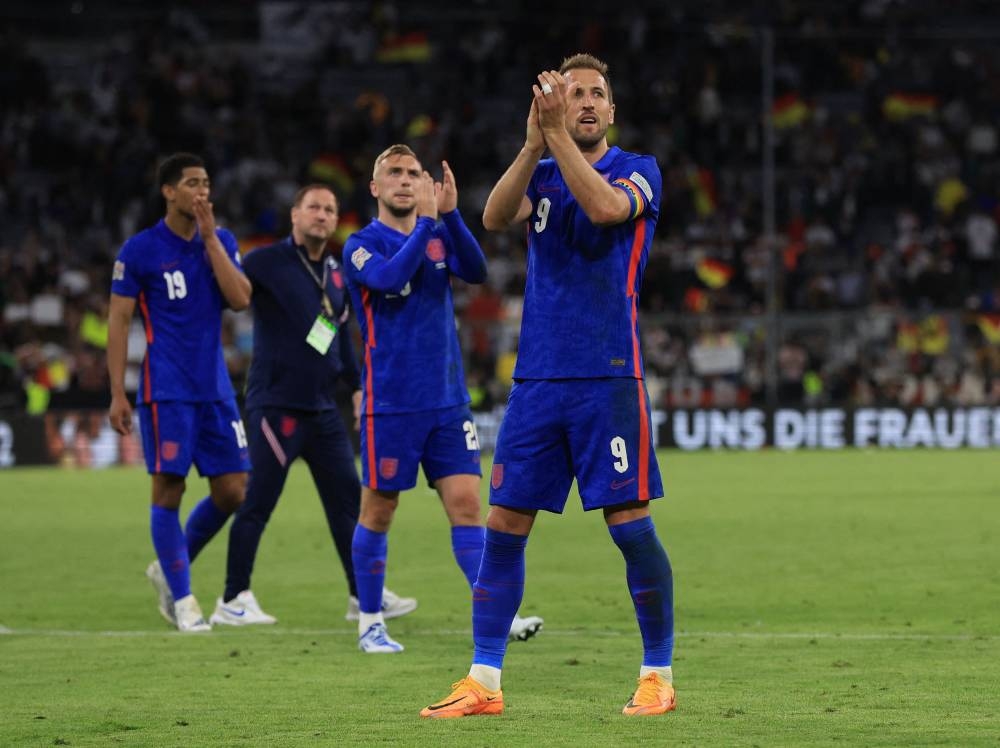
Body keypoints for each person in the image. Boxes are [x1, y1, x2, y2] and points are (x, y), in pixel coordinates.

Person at [422, 54, 675, 717]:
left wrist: (556, 135)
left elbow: (603, 209)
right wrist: (535, 139)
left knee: (628, 525)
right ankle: (484, 682)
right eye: (571, 95)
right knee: (504, 524)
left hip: (607, 375)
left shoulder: (637, 169)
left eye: (595, 94)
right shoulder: (540, 167)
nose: (584, 102)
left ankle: (658, 676)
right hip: (537, 379)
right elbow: (495, 217)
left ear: (611, 110)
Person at [343, 144, 543, 653]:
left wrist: (450, 216)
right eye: (394, 173)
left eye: (415, 173)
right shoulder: (360, 245)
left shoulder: (435, 232)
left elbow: (474, 270)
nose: (406, 180)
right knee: (379, 511)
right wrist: (431, 225)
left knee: (467, 507)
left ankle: (498, 611)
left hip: (447, 402)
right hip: (390, 403)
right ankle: (370, 620)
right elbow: (389, 279)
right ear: (375, 187)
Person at [208, 184, 416, 627]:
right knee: (256, 500)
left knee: (348, 502)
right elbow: (231, 294)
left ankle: (362, 596)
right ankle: (232, 597)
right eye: (314, 207)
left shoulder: (336, 273)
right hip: (276, 405)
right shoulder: (266, 260)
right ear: (295, 216)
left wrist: (358, 387)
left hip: (322, 410)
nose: (322, 215)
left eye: (330, 209)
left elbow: (339, 334)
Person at [108, 152, 252, 633]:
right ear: (169, 191)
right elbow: (119, 319)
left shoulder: (221, 241)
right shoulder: (141, 250)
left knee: (234, 491)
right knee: (169, 489)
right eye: (192, 183)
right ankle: (184, 599)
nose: (202, 192)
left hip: (214, 387)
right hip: (165, 388)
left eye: (207, 182)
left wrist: (211, 238)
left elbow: (240, 299)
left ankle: (170, 568)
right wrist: (117, 393)